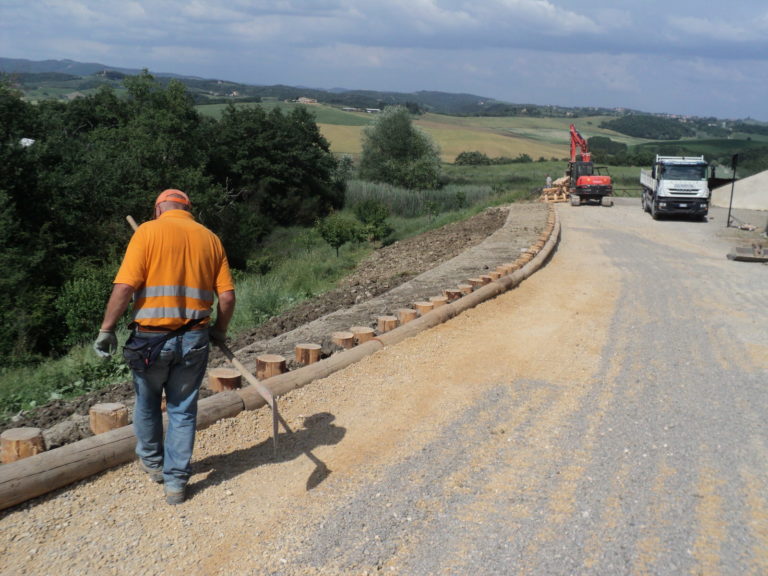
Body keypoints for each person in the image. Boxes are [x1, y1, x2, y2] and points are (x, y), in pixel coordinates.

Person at [94, 189, 235, 505]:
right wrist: (220, 331)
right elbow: (226, 297)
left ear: (159, 209)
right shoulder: (210, 239)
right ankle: (175, 484)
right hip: (195, 338)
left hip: (150, 342)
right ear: (189, 208)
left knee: (146, 402)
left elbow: (125, 286)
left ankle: (153, 464)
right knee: (183, 410)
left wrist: (107, 329)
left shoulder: (147, 232)